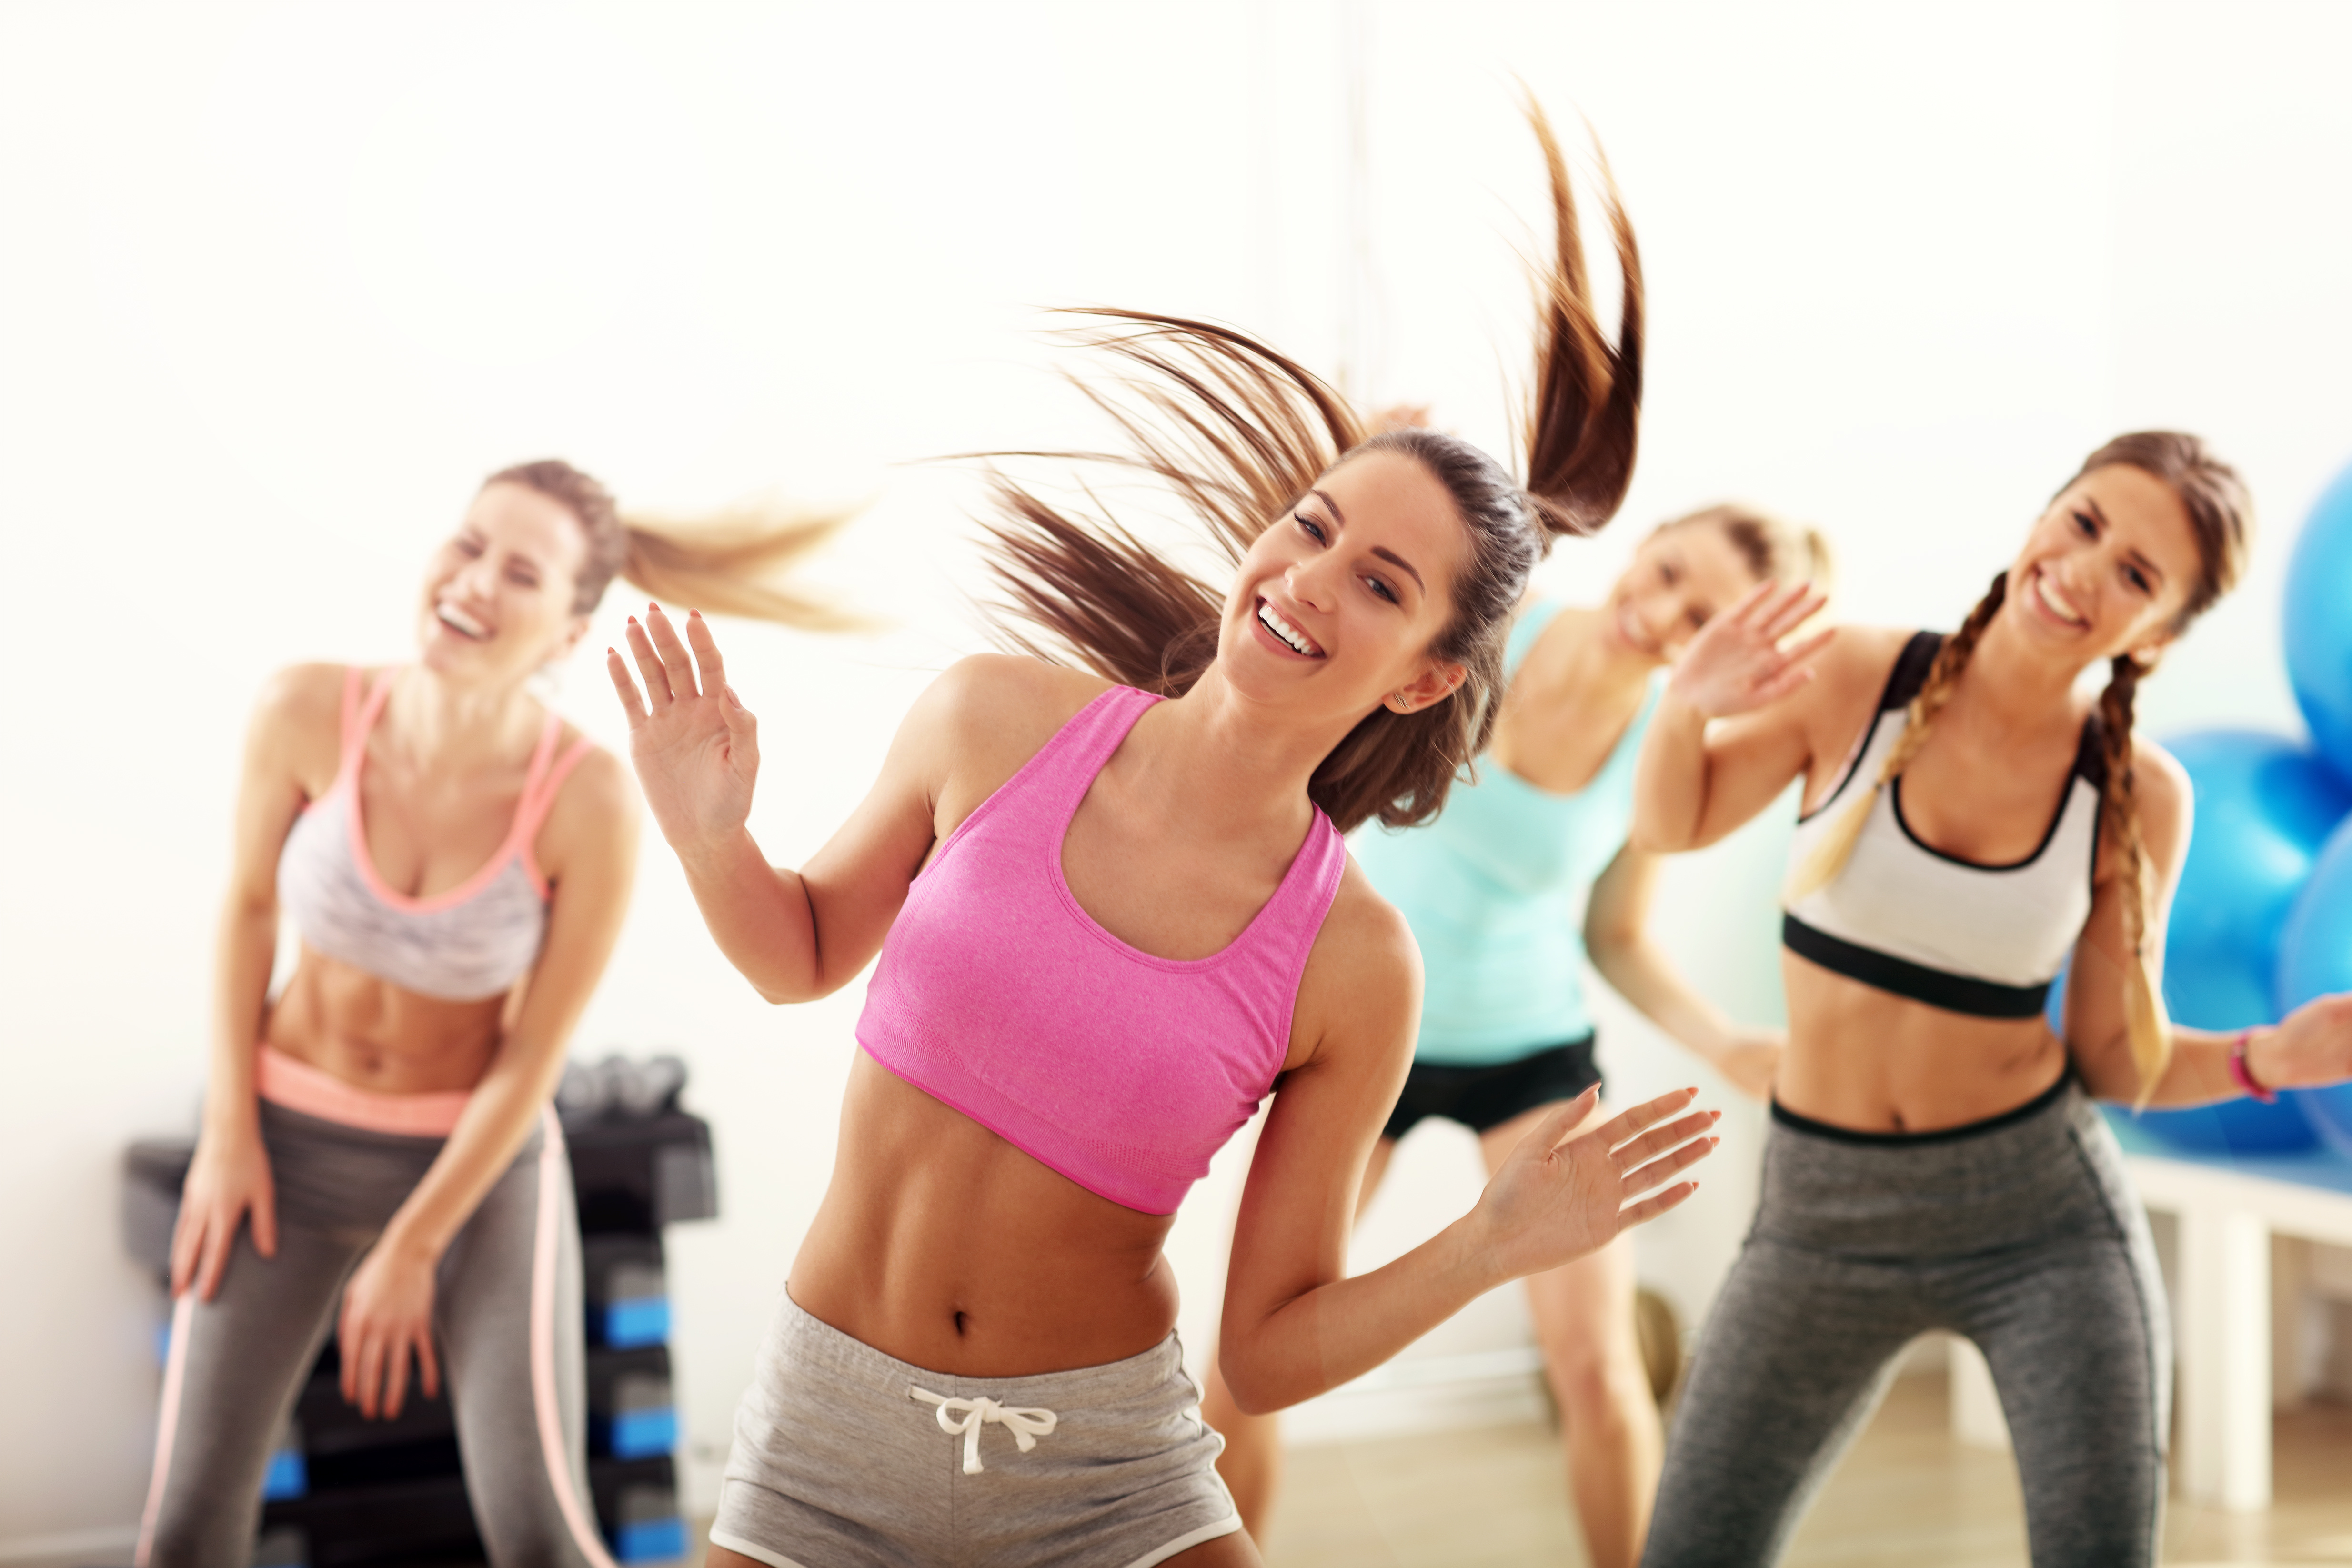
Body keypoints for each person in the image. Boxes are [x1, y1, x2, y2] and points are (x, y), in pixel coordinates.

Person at [609, 110, 1720, 1568]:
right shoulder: (993, 719)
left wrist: (1495, 1240)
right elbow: (799, 952)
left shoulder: (1353, 961)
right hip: (830, 1440)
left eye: (1381, 583)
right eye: (1311, 527)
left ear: (1424, 674)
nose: (1310, 581)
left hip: (1106, 1477)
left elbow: (1262, 1354)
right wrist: (710, 838)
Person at [1630, 432, 2352, 1568]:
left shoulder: (2137, 793)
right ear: (2045, 514)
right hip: (1820, 1214)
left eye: (2136, 574)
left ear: (2156, 633)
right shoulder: (1855, 676)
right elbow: (1675, 822)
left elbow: (2119, 1060)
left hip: (2041, 1221)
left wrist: (2275, 1055)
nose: (2085, 569)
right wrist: (1685, 706)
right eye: (2085, 522)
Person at [141, 462, 847, 1568]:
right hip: (281, 1143)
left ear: (571, 630)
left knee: (538, 1533)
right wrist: (227, 1134)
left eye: (520, 571)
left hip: (477, 1167)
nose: (473, 580)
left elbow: (534, 1052)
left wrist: (415, 1240)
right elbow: (244, 912)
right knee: (185, 1532)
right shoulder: (304, 708)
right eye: (467, 545)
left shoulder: (589, 798)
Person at [1201, 501, 1829, 1567]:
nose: (1666, 611)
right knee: (1244, 1367)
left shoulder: (1658, 754)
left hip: (1532, 1051)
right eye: (1672, 571)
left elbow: (1616, 933)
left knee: (1596, 1364)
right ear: (1649, 538)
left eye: (1704, 615)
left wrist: (1724, 1041)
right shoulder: (1492, 624)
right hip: (1362, 1038)